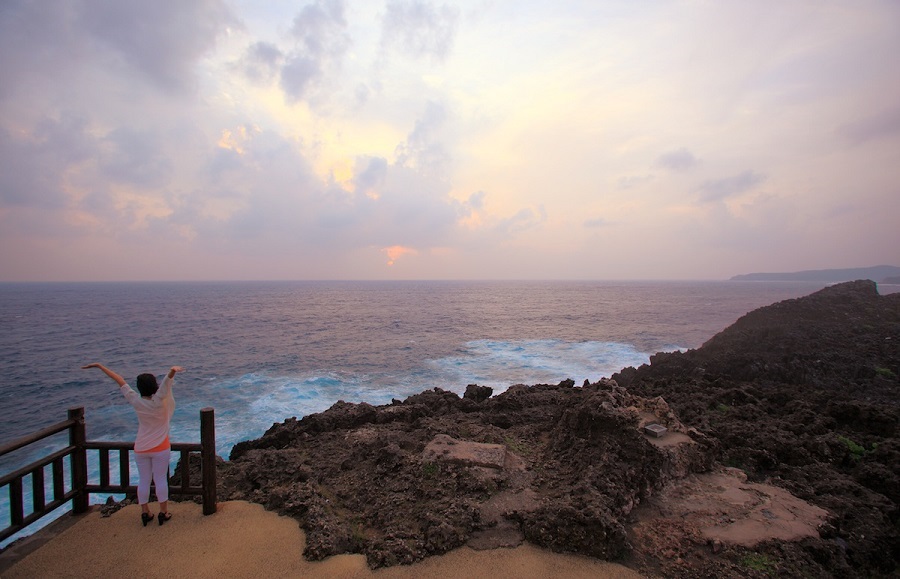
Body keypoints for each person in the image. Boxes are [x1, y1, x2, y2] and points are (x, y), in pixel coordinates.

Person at [82, 363, 184, 526]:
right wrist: (173, 370)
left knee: (143, 480)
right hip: (160, 447)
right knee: (160, 480)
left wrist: (100, 366)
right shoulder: (159, 400)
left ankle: (145, 512)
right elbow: (167, 381)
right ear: (154, 386)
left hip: (141, 448)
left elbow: (119, 380)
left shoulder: (135, 400)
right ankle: (163, 512)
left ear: (139, 388)